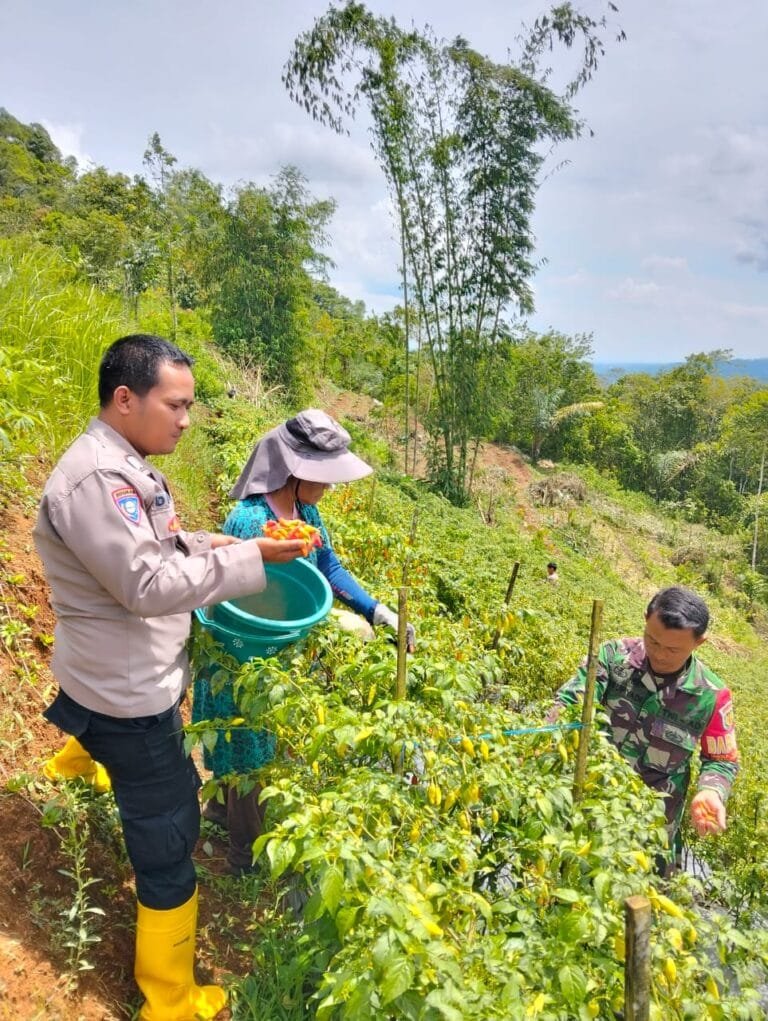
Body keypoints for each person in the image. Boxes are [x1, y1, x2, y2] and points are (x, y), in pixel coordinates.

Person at [34, 334, 305, 1021]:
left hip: (106, 674)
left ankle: (80, 760)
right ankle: (170, 997)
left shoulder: (122, 464)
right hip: (127, 698)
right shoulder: (99, 480)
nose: (186, 420)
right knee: (170, 834)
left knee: (115, 747)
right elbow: (147, 583)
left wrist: (231, 544)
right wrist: (250, 562)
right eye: (176, 405)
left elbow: (157, 545)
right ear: (126, 399)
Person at [193, 409, 416, 875]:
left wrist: (375, 610)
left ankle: (220, 811)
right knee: (247, 746)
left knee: (263, 742)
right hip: (246, 649)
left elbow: (328, 567)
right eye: (322, 474)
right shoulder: (250, 520)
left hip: (283, 645)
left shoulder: (306, 514)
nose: (329, 485)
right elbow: (240, 600)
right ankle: (243, 860)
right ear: (294, 471)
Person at [547, 586, 738, 870]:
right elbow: (569, 704)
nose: (659, 654)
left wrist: (711, 790)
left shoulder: (711, 696)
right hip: (586, 801)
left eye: (673, 649)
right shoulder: (612, 657)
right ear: (646, 619)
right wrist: (549, 734)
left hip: (650, 824)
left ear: (699, 642)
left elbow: (722, 760)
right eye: (653, 640)